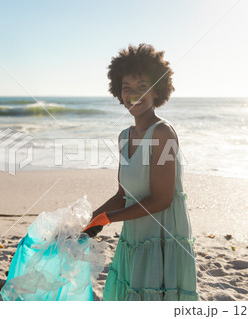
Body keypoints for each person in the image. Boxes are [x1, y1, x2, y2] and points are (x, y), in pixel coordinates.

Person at [83, 43, 198, 301]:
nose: (133, 95)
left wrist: (107, 219)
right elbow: (123, 194)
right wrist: (91, 219)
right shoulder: (125, 137)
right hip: (134, 237)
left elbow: (162, 199)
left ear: (157, 91)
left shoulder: (162, 133)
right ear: (118, 92)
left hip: (162, 239)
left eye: (142, 87)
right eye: (127, 88)